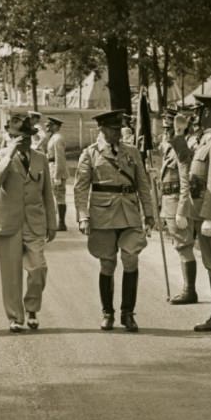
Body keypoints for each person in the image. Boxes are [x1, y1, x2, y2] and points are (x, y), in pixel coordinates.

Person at [74, 109, 155, 332]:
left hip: (129, 213)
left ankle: (128, 313)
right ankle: (107, 312)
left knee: (131, 259)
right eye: (112, 129)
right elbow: (80, 188)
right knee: (107, 263)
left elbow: (143, 184)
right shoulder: (90, 154)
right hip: (103, 215)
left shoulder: (131, 152)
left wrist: (149, 213)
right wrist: (83, 216)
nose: (116, 133)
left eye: (118, 129)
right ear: (101, 129)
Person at [0, 113, 57, 332]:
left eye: (27, 137)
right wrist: (10, 153)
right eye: (18, 137)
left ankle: (32, 309)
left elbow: (47, 193)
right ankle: (16, 317)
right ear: (9, 136)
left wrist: (51, 222)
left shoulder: (40, 158)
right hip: (9, 222)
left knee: (38, 268)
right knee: (11, 275)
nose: (24, 141)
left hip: (34, 223)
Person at [175, 95, 211, 331]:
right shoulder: (203, 140)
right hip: (199, 208)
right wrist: (178, 135)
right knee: (209, 260)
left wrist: (209, 216)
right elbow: (187, 165)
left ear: (207, 113)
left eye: (198, 112)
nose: (195, 117)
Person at [162, 109, 198, 303]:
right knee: (179, 246)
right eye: (166, 128)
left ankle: (189, 290)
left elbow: (185, 178)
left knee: (184, 246)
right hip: (169, 200)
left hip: (178, 201)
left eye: (170, 127)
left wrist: (182, 210)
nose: (166, 131)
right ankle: (187, 288)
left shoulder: (185, 145)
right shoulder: (170, 147)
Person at [45, 117, 69, 230]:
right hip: (51, 166)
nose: (48, 127)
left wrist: (58, 175)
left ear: (56, 126)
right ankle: (56, 222)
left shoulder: (57, 138)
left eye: (50, 125)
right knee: (54, 195)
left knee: (59, 196)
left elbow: (60, 157)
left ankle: (61, 223)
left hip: (56, 168)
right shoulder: (53, 137)